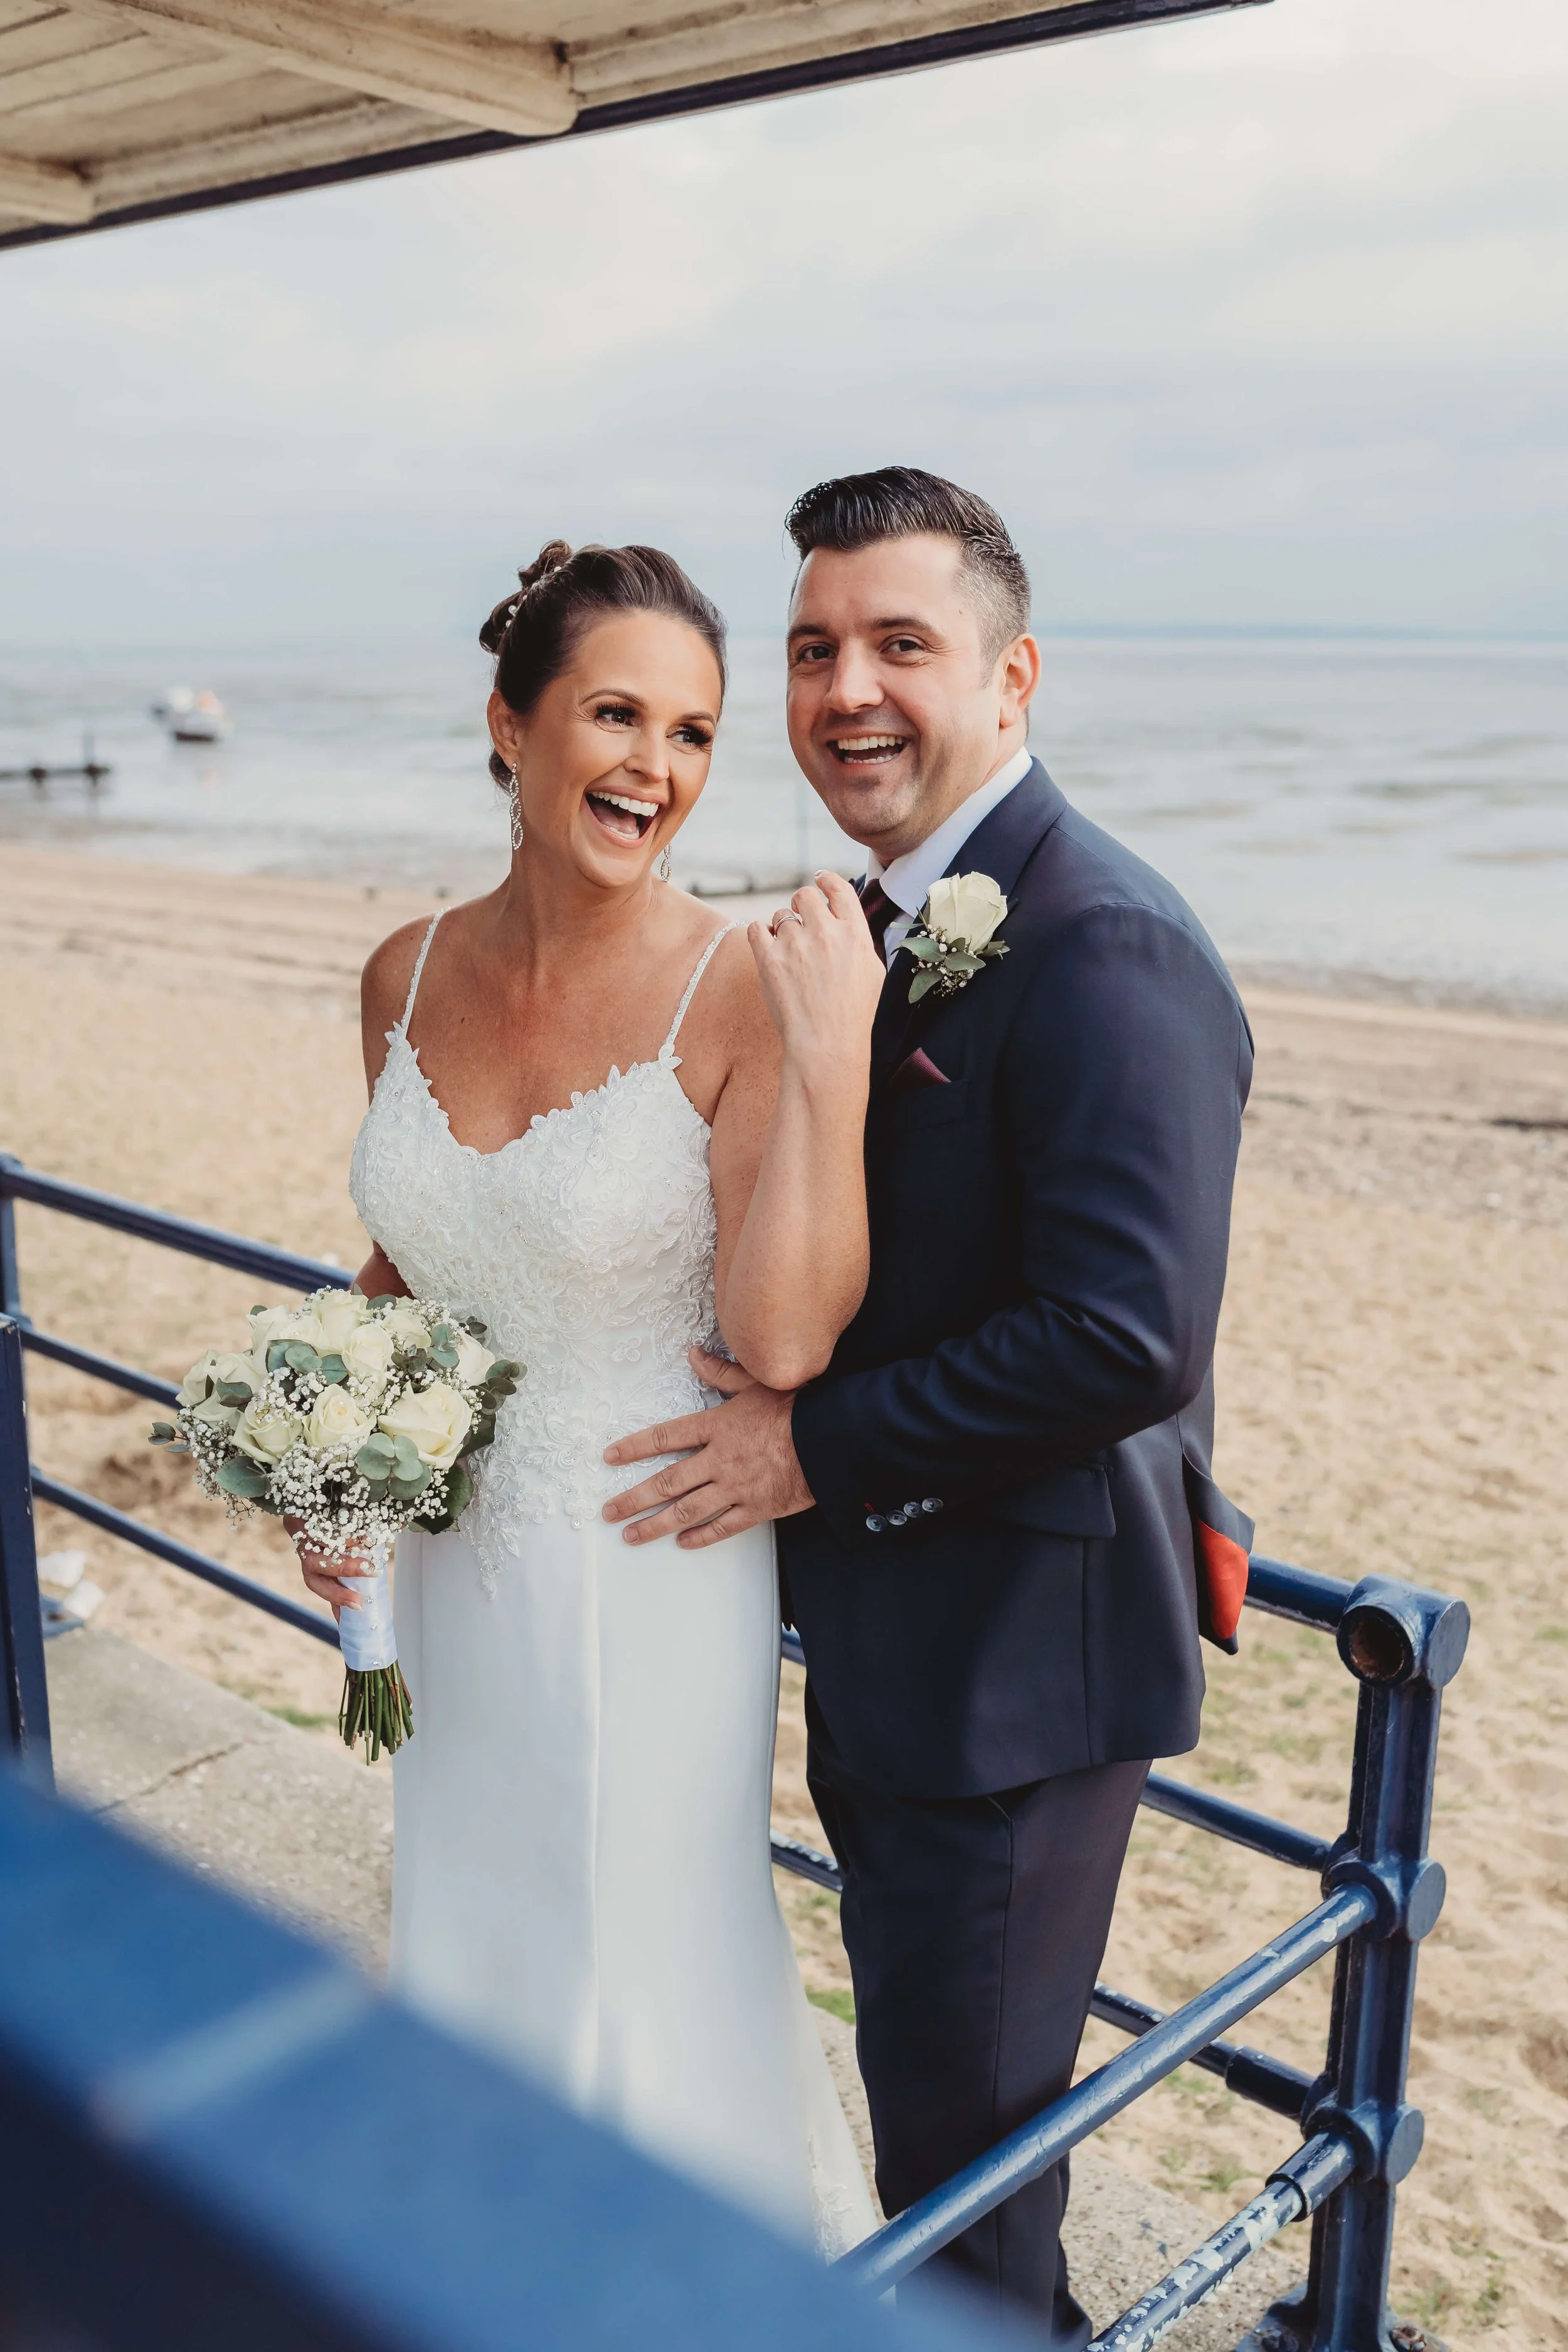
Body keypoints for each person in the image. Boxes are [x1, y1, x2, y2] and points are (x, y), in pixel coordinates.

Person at [603, 469, 1256, 2338]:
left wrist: (802, 1446)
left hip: (1013, 1682)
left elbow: (1125, 1335)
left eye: (900, 642)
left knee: (967, 2200)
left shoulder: (1102, 937)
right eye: (813, 648)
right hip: (905, 1649)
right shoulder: (878, 922)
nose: (845, 689)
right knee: (935, 2152)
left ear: (1012, 674)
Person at [294, 539, 882, 2256]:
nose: (657, 766)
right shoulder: (398, 975)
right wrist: (340, 1463)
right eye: (615, 713)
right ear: (510, 724)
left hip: (647, 1550)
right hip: (456, 1571)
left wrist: (830, 1062)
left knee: (642, 1942)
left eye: (694, 733)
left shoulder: (732, 988)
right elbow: (408, 1267)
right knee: (474, 1913)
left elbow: (784, 1343)